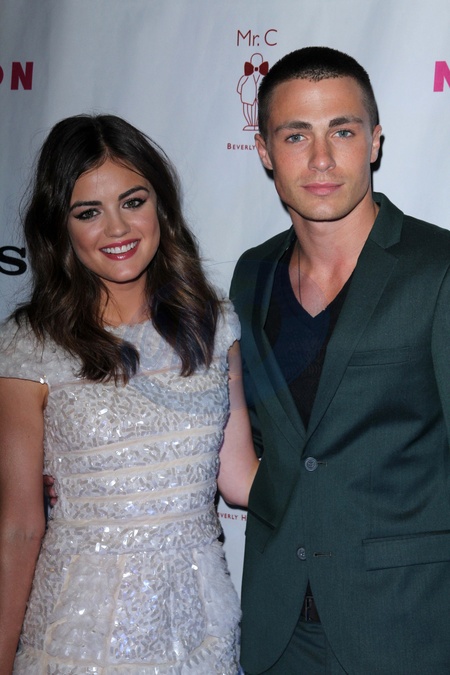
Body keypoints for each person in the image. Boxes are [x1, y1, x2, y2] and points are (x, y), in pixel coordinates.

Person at [0, 114, 258, 674]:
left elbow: (240, 477)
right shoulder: (28, 346)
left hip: (199, 633)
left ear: (160, 206)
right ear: (61, 226)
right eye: (88, 212)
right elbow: (19, 526)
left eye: (132, 202)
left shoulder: (214, 326)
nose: (116, 228)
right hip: (79, 639)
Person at [230, 46, 450, 674]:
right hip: (277, 630)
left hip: (408, 627)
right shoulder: (252, 273)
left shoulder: (438, 270)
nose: (321, 159)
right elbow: (256, 445)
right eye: (296, 135)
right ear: (265, 152)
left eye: (343, 132)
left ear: (374, 142)